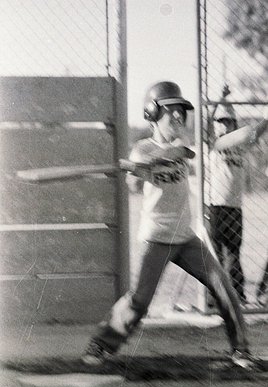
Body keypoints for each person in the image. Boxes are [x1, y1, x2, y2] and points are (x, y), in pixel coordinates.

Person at [81, 81, 264, 371]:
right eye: (171, 111)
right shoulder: (141, 149)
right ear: (153, 114)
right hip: (156, 237)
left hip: (185, 237)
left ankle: (241, 351)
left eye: (181, 111)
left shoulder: (182, 146)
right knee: (140, 300)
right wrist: (139, 169)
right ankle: (101, 344)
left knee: (223, 286)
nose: (179, 117)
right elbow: (134, 181)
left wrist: (160, 159)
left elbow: (183, 154)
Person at [206, 85, 268, 306]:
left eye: (228, 121)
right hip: (214, 206)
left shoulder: (240, 147)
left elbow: (254, 134)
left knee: (234, 253)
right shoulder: (214, 145)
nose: (224, 125)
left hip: (234, 206)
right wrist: (219, 99)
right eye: (220, 121)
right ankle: (213, 300)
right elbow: (206, 123)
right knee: (215, 255)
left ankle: (237, 295)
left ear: (234, 124)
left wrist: (265, 120)